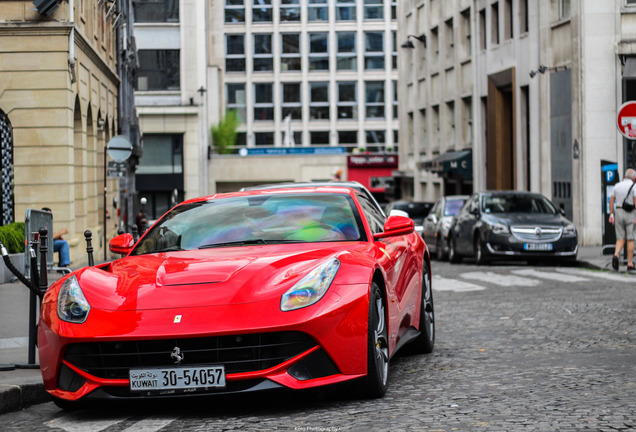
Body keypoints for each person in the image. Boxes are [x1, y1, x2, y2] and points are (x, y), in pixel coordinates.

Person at [609, 168, 636, 271]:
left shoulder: (617, 185)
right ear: (634, 177)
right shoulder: (634, 186)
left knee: (620, 238)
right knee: (630, 238)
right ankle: (630, 264)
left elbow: (611, 201)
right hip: (630, 213)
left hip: (619, 212)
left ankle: (616, 255)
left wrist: (611, 214)